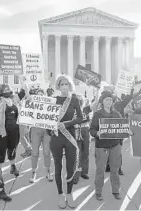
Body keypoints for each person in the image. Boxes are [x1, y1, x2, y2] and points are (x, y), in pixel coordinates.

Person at [49, 75, 83, 209]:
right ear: (58, 86)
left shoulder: (74, 100)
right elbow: (45, 117)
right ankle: (60, 193)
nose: (64, 87)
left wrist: (67, 123)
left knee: (70, 166)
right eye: (61, 84)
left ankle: (69, 193)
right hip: (56, 136)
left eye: (66, 84)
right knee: (58, 167)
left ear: (70, 86)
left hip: (70, 136)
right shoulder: (53, 100)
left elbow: (80, 118)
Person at [90, 91, 131, 201]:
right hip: (101, 146)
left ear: (113, 101)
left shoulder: (116, 113)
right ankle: (98, 192)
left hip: (115, 145)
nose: (109, 101)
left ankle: (116, 191)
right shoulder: (97, 114)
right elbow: (92, 129)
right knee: (100, 171)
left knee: (115, 170)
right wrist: (96, 133)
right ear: (102, 101)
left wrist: (127, 131)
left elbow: (122, 126)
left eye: (110, 100)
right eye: (106, 99)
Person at [0, 76, 29, 200]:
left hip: (15, 130)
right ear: (1, 92)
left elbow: (24, 92)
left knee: (13, 148)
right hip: (2, 132)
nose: (8, 90)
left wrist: (23, 82)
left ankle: (13, 166)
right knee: (1, 152)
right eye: (6, 89)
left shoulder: (14, 99)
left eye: (9, 89)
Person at [29, 88, 53, 183]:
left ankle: (48, 171)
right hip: (35, 130)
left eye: (41, 94)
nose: (40, 96)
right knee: (35, 152)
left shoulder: (49, 105)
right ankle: (33, 172)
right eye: (37, 95)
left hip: (47, 130)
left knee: (47, 152)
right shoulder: (32, 105)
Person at [73, 95, 91, 184]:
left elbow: (96, 104)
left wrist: (97, 90)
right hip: (76, 131)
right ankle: (76, 175)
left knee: (86, 152)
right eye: (77, 99)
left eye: (81, 99)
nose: (79, 101)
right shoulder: (71, 110)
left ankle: (84, 172)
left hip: (86, 131)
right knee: (77, 154)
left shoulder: (86, 109)